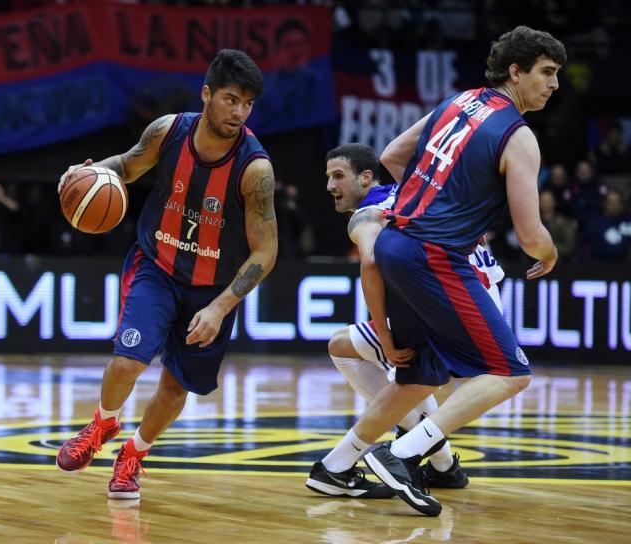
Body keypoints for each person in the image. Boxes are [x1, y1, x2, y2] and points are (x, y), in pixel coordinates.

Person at [319, 26, 563, 517]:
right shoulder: (518, 136)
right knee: (510, 372)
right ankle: (403, 453)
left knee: (419, 374)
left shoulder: (458, 101)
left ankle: (336, 466)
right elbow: (530, 235)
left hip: (396, 243)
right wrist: (551, 253)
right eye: (546, 72)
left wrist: (434, 198)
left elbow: (392, 155)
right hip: (435, 256)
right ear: (515, 72)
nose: (554, 84)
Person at [55, 49, 278, 500]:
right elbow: (127, 165)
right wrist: (87, 173)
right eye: (231, 99)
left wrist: (220, 308)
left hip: (212, 289)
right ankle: (104, 423)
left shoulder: (255, 169)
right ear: (207, 94)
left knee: (176, 384)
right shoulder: (168, 130)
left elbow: (266, 250)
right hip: (156, 265)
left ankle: (133, 455)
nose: (239, 112)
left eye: (248, 104)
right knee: (127, 361)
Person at [306, 143, 505, 500]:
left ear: (366, 177)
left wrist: (384, 335)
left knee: (415, 380)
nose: (329, 186)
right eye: (328, 177)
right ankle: (443, 465)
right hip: (474, 291)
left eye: (338, 176)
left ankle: (339, 465)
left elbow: (370, 263)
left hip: (455, 303)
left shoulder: (367, 214)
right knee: (346, 349)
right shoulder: (411, 188)